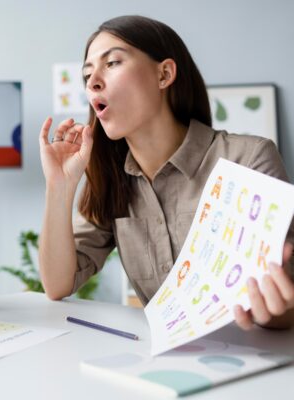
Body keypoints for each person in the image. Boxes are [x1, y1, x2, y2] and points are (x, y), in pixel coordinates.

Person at [38, 15, 294, 330]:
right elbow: (58, 285)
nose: (92, 82)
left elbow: (286, 296)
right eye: (87, 74)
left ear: (164, 74)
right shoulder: (112, 179)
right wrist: (58, 186)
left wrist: (277, 311)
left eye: (113, 63)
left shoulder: (249, 159)